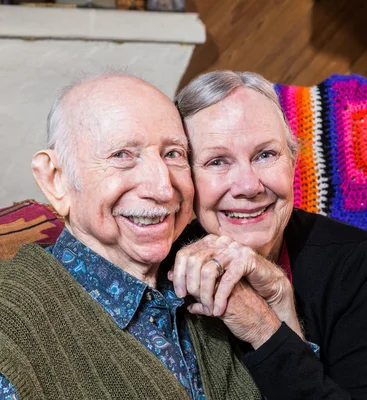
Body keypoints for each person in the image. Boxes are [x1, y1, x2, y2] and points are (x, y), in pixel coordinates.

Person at [0, 72, 263, 399]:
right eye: (122, 155)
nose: (163, 189)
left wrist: (272, 310)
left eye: (173, 154)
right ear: (56, 179)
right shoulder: (10, 324)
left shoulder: (216, 274)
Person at [167, 70, 367, 399]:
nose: (249, 186)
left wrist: (269, 322)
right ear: (187, 179)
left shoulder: (354, 260)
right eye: (217, 161)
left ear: (293, 160)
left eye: (266, 155)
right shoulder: (165, 264)